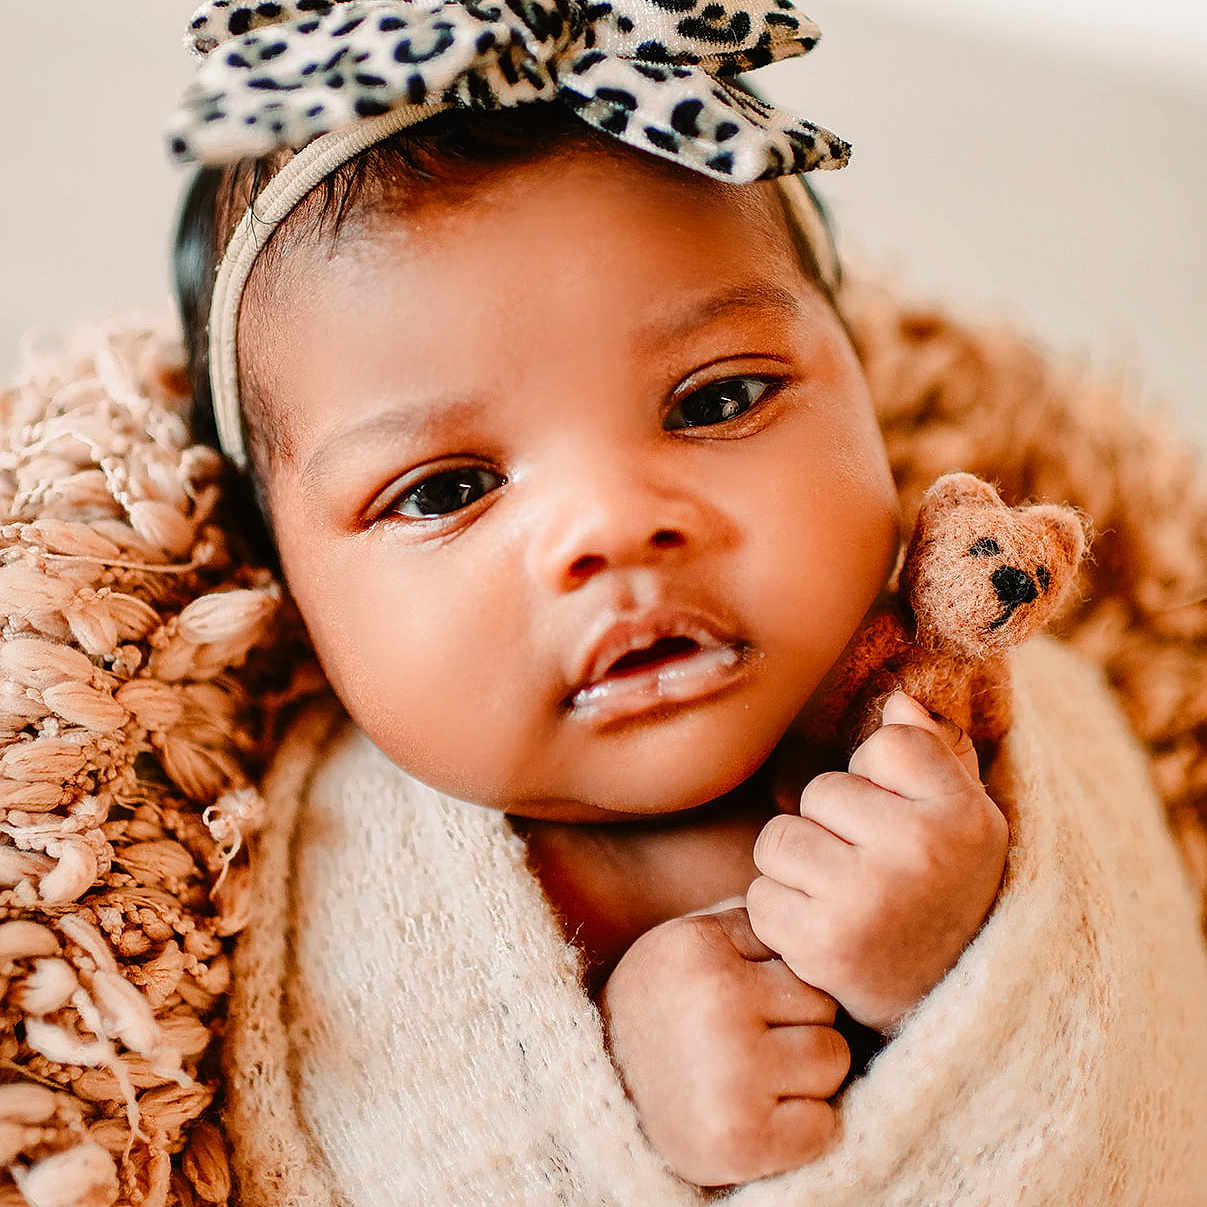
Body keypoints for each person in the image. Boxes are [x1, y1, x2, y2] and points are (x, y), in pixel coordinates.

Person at [161, 0, 1207, 1201]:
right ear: (278, 574)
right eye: (446, 487)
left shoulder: (991, 727)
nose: (614, 523)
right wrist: (616, 1091)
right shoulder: (320, 881)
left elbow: (1124, 1072)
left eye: (715, 401)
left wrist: (960, 960)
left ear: (862, 379)